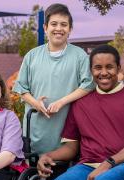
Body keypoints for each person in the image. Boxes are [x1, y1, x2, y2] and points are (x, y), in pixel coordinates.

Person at [36, 44, 124, 180]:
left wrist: (108, 164)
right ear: (91, 70)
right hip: (86, 168)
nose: (104, 73)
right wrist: (48, 155)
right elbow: (72, 147)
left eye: (109, 67)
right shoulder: (80, 103)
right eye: (98, 67)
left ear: (119, 68)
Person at [13, 3, 94, 154]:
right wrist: (35, 103)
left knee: (63, 165)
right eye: (54, 24)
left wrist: (62, 102)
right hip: (35, 126)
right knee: (33, 167)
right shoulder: (32, 56)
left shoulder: (80, 56)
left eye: (64, 24)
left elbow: (88, 85)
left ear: (70, 29)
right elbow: (21, 88)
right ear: (45, 28)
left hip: (66, 127)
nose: (59, 28)